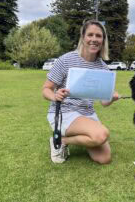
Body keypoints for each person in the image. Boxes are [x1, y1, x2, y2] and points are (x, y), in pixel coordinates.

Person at [42, 19, 119, 165]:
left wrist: (111, 97)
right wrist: (55, 96)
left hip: (87, 113)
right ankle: (61, 139)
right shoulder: (65, 60)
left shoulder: (103, 68)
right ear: (83, 37)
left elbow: (104, 102)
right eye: (90, 35)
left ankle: (65, 139)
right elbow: (45, 89)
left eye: (98, 36)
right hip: (64, 111)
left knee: (104, 158)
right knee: (101, 134)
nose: (94, 39)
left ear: (103, 40)